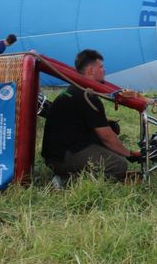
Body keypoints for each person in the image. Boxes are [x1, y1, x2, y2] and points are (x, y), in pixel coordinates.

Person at [41, 49, 142, 183]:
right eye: (101, 67)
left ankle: (70, 173)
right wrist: (129, 154)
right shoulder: (86, 96)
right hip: (63, 158)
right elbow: (106, 137)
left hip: (57, 152)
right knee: (118, 164)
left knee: (113, 129)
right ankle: (67, 180)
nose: (104, 70)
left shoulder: (75, 89)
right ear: (90, 70)